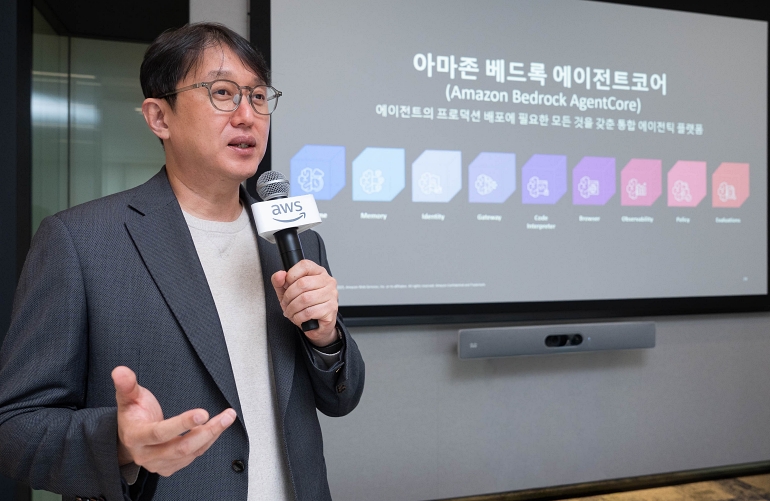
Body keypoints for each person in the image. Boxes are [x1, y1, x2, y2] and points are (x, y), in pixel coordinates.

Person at [0, 22, 364, 501]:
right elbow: (17, 427)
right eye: (222, 92)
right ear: (159, 117)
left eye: (258, 96)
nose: (247, 116)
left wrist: (326, 338)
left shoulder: (297, 243)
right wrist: (120, 444)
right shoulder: (81, 242)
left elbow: (341, 398)